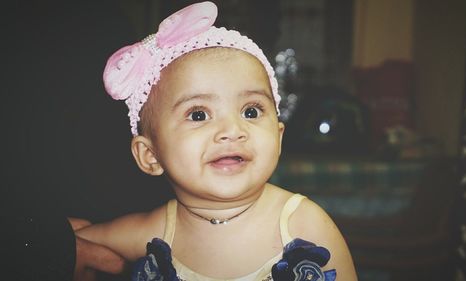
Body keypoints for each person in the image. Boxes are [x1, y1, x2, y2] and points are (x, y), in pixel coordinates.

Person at [76, 2, 357, 280]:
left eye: (251, 111)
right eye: (198, 114)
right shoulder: (153, 231)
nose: (232, 129)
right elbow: (65, 246)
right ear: (150, 155)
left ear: (279, 137)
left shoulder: (305, 224)